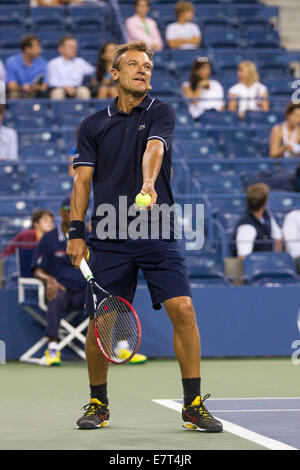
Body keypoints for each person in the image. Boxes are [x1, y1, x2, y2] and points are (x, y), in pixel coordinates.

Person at [66, 41, 222, 432]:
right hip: (109, 235)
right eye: (133, 64)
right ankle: (98, 403)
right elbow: (82, 182)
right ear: (114, 74)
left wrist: (149, 183)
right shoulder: (92, 126)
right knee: (101, 321)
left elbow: (154, 149)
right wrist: (75, 231)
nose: (143, 70)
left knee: (183, 310)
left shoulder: (161, 111)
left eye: (148, 65)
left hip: (157, 229)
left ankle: (192, 404)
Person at [233, 183, 282, 259]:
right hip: (256, 267)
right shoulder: (246, 226)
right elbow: (243, 257)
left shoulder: (266, 215)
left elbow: (278, 238)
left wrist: (275, 260)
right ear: (265, 202)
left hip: (268, 263)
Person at [5, 35, 48, 99]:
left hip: (36, 93)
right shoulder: (12, 62)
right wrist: (22, 87)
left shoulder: (42, 62)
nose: (39, 50)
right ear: (27, 49)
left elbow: (44, 86)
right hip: (19, 92)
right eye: (36, 47)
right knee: (13, 94)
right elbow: (11, 85)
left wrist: (36, 87)